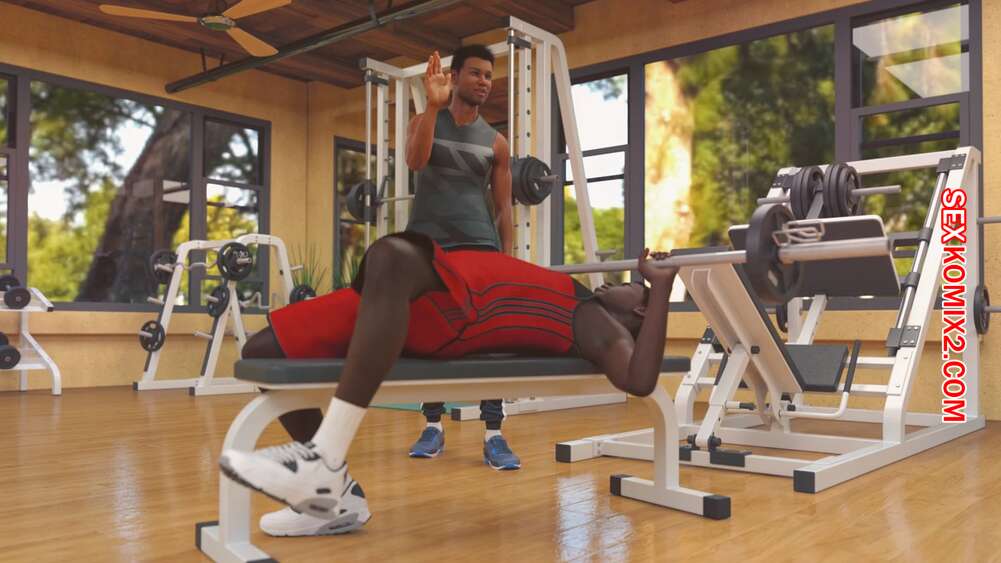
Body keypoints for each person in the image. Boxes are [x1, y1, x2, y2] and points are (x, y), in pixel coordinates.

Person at [220, 229, 677, 537]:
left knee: (390, 254)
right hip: (410, 290)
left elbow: (639, 380)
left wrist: (662, 289)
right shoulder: (595, 308)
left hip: (453, 307)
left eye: (630, 286)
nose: (612, 284)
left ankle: (324, 459)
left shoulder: (597, 322)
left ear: (640, 309)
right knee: (262, 351)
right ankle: (335, 497)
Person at [403, 45, 516, 465]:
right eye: (475, 73)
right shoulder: (423, 121)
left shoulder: (497, 143)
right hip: (428, 244)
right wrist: (433, 107)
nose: (484, 81)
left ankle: (494, 433)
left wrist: (507, 259)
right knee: (431, 333)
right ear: (454, 77)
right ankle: (433, 426)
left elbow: (504, 208)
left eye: (488, 75)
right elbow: (416, 161)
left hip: (480, 245)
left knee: (489, 339)